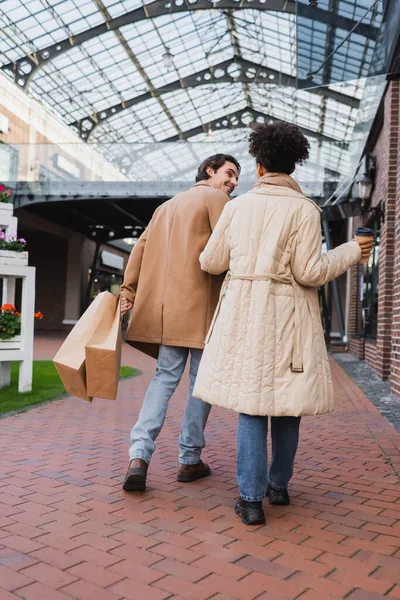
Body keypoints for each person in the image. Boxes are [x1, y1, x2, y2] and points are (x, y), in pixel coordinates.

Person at [193, 123, 374, 525]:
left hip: (244, 317)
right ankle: (278, 487)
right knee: (287, 405)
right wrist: (350, 252)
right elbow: (310, 272)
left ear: (258, 167)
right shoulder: (305, 210)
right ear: (294, 167)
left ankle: (250, 500)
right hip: (289, 319)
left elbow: (210, 262)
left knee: (251, 406)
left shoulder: (236, 206)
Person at [120, 154, 240, 492]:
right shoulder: (218, 201)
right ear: (209, 171)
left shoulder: (166, 207)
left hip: (168, 311)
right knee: (201, 384)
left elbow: (139, 250)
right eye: (229, 174)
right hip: (204, 310)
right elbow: (232, 250)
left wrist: (129, 289)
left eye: (236, 179)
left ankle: (138, 456)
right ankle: (189, 458)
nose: (232, 182)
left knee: (163, 379)